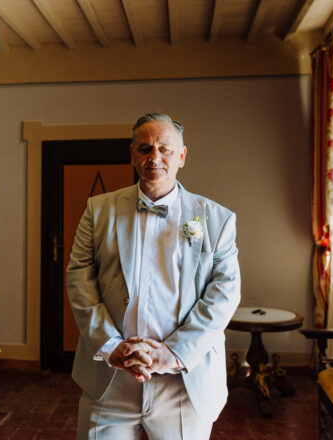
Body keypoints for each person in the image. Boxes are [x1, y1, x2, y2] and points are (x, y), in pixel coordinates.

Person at [66, 112, 241, 439]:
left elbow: (224, 294)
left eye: (165, 149)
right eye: (145, 149)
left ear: (182, 156)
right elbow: (79, 278)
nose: (154, 158)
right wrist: (110, 345)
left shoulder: (216, 219)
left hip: (183, 384)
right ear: (132, 154)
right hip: (109, 379)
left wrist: (172, 352)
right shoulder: (98, 210)